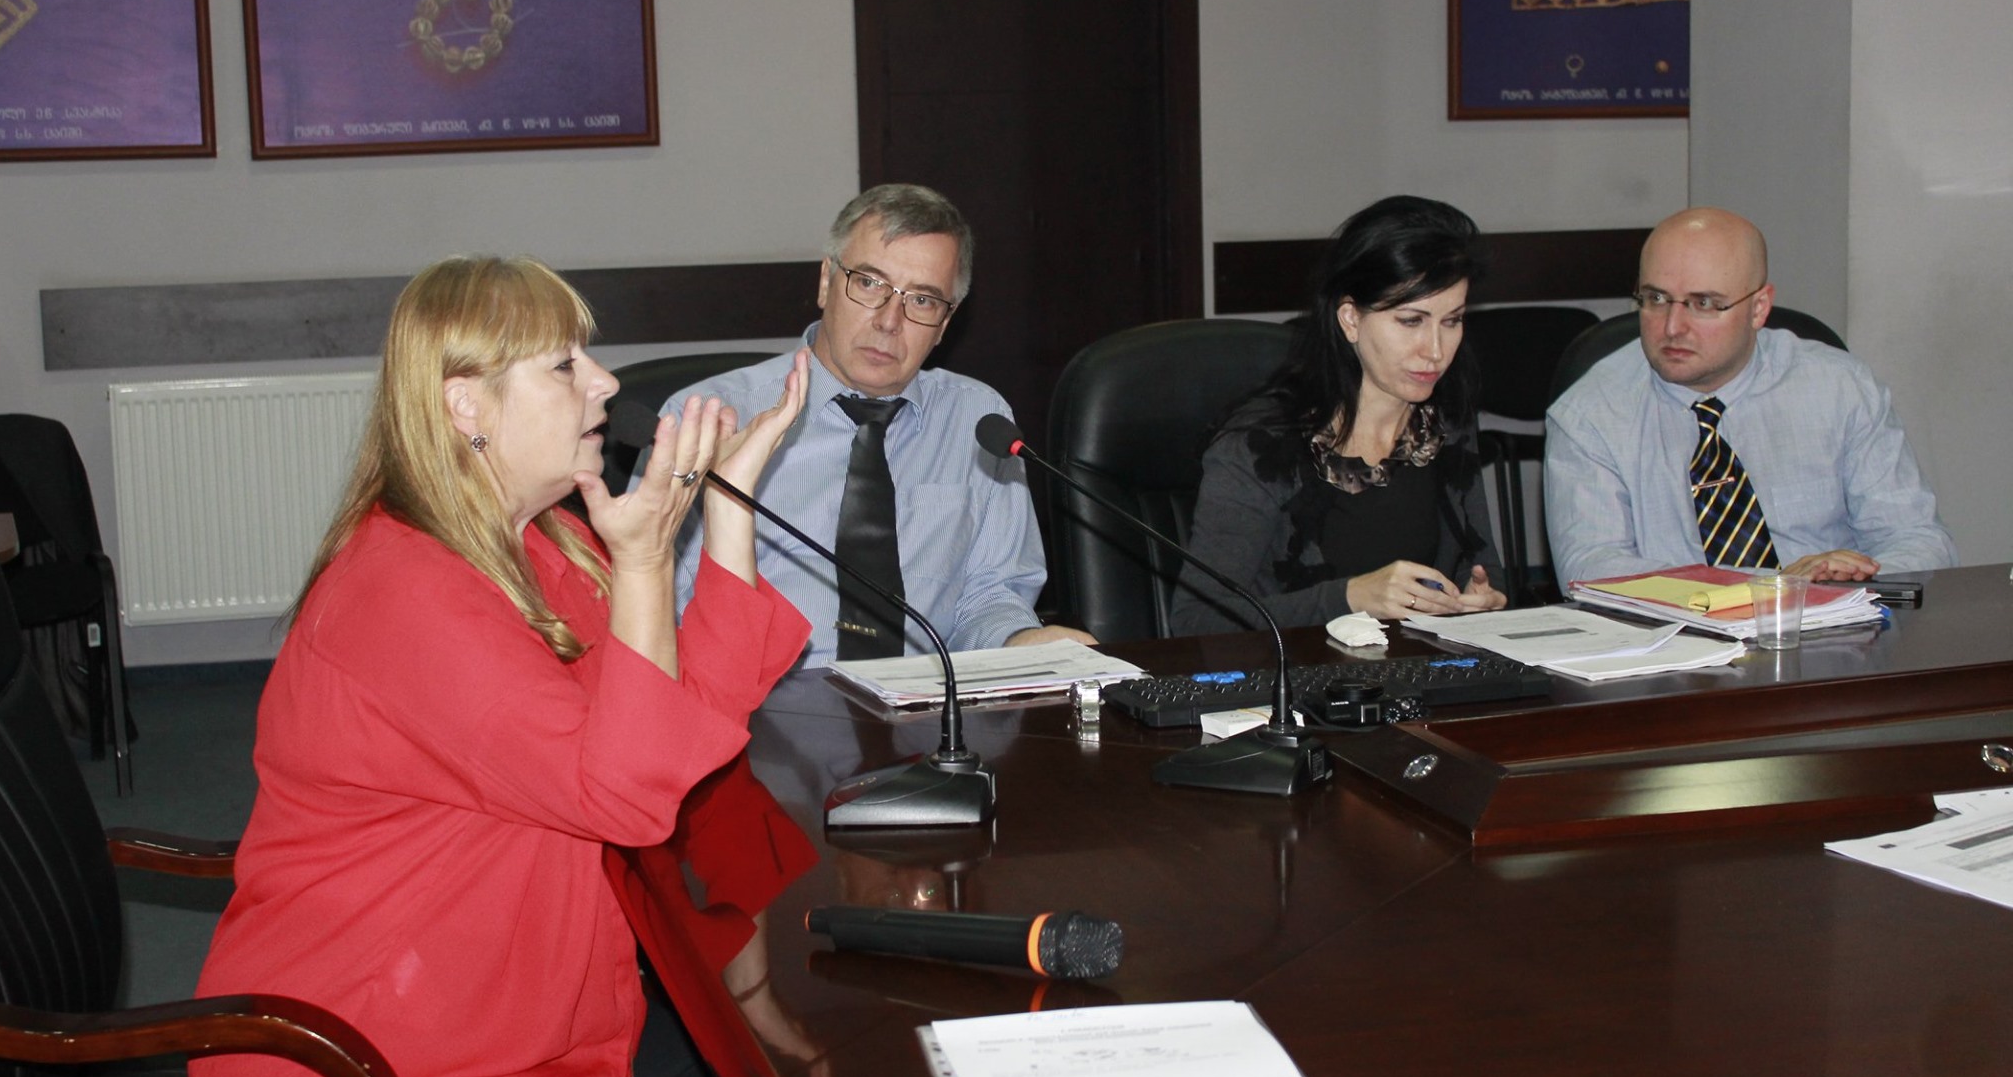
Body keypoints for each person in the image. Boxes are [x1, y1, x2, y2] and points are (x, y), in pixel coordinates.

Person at [191, 255, 814, 1077]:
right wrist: (645, 563)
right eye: (563, 364)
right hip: (370, 1068)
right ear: (464, 405)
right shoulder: (403, 592)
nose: (603, 381)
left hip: (538, 1018)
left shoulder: (542, 543)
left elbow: (679, 728)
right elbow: (624, 795)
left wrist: (727, 512)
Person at [660, 183, 1095, 667]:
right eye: (869, 283)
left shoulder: (978, 419)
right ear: (826, 282)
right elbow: (666, 611)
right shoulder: (708, 418)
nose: (890, 320)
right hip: (760, 697)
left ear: (945, 324)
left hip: (931, 701)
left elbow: (990, 596)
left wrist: (1019, 642)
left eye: (922, 300)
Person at [1544, 207, 1957, 587]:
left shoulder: (1840, 388)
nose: (1672, 327)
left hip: (1836, 624)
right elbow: (1590, 569)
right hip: (1674, 634)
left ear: (1759, 308)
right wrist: (1776, 588)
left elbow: (1919, 540)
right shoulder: (1590, 412)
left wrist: (1855, 577)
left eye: (1704, 303)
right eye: (1656, 299)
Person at [1171, 195, 1508, 634]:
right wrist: (1349, 599)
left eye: (1452, 321)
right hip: (1300, 675)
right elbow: (1196, 623)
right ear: (1350, 319)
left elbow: (1482, 567)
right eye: (1411, 321)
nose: (1435, 351)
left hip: (1419, 668)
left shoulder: (1443, 421)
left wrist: (1481, 597)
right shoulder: (1259, 444)